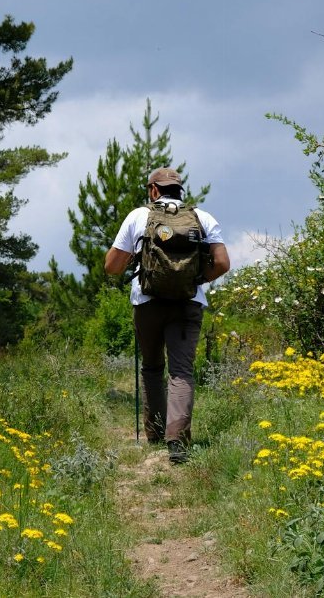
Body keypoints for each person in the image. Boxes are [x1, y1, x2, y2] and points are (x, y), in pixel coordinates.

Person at [104, 167, 230, 464]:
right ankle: (177, 444)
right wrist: (195, 280)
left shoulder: (138, 217)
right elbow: (223, 263)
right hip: (188, 303)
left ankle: (156, 433)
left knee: (151, 367)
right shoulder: (202, 218)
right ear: (179, 190)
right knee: (181, 371)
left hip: (147, 302)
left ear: (153, 190)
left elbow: (111, 266)